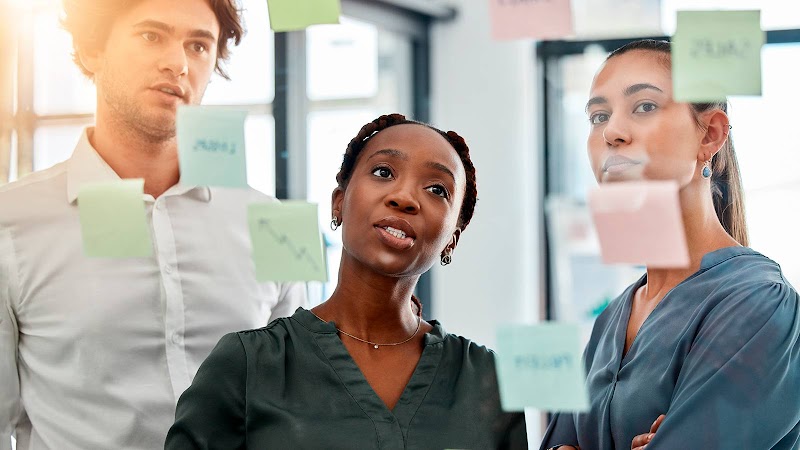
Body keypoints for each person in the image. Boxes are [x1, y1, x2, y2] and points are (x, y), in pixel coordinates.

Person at [0, 0, 305, 448]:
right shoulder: (11, 221)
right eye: (151, 36)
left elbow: (293, 405)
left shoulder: (272, 221)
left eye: (199, 45)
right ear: (92, 51)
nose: (177, 63)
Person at [165, 113, 528, 449]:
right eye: (384, 172)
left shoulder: (487, 380)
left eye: (437, 190)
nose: (404, 198)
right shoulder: (248, 366)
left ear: (452, 238)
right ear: (339, 203)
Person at [541, 39, 800, 450]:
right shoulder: (611, 319)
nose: (612, 132)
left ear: (710, 136)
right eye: (598, 116)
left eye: (644, 106)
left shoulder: (760, 304)